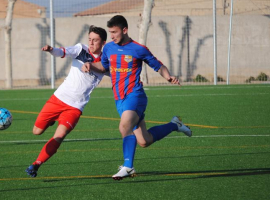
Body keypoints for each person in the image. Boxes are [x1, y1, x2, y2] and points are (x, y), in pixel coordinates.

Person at [82, 15, 192, 180]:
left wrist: (168, 76)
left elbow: (158, 65)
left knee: (124, 126)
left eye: (114, 32)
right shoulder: (109, 48)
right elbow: (104, 66)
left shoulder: (139, 49)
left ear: (124, 30)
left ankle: (128, 166)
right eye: (110, 32)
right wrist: (91, 65)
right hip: (119, 99)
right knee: (144, 141)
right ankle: (174, 125)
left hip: (135, 95)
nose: (111, 36)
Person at [25, 25, 108, 177]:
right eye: (90, 39)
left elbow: (118, 74)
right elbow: (62, 52)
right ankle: (51, 120)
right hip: (58, 98)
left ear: (103, 42)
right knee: (36, 131)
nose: (91, 43)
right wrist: (51, 49)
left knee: (59, 136)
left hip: (75, 107)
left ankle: (36, 164)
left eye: (95, 40)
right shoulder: (80, 49)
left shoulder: (106, 61)